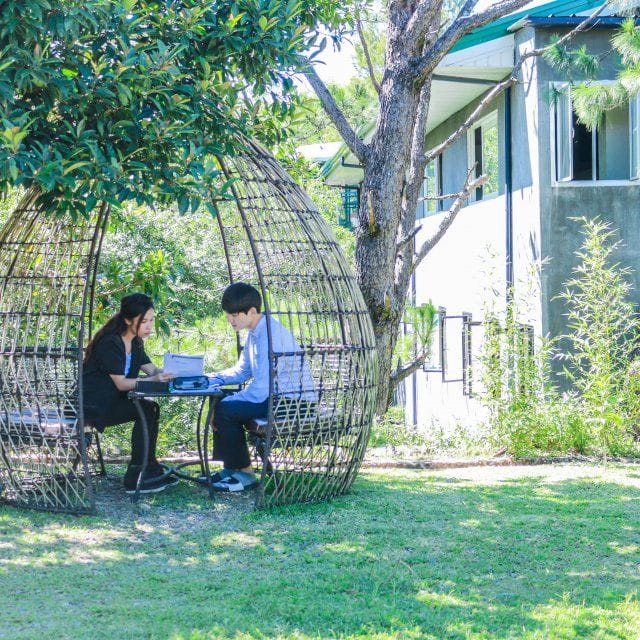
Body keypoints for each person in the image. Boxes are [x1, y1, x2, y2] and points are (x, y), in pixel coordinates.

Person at [207, 282, 316, 492]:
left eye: (235, 315)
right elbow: (242, 371)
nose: (230, 320)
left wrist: (223, 404)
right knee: (220, 399)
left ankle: (245, 474)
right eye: (228, 315)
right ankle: (231, 467)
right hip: (274, 396)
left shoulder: (270, 335)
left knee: (225, 408)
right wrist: (210, 379)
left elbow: (260, 389)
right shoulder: (254, 332)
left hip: (294, 402)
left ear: (252, 311)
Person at [82, 293, 177, 494]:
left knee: (150, 408)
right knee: (147, 409)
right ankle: (137, 477)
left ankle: (148, 470)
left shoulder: (135, 343)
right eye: (144, 321)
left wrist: (176, 372)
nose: (149, 326)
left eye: (151, 320)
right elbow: (121, 384)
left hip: (113, 401)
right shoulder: (110, 343)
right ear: (127, 320)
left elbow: (152, 370)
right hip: (94, 405)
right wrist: (154, 379)